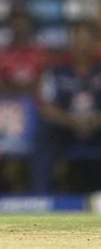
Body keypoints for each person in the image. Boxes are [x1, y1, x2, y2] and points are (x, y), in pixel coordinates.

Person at [33, 20, 101, 193]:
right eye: (79, 41)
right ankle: (42, 198)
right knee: (44, 133)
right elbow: (46, 108)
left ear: (94, 43)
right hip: (65, 128)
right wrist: (73, 123)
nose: (83, 46)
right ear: (72, 43)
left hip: (97, 127)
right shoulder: (56, 71)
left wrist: (94, 121)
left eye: (87, 41)